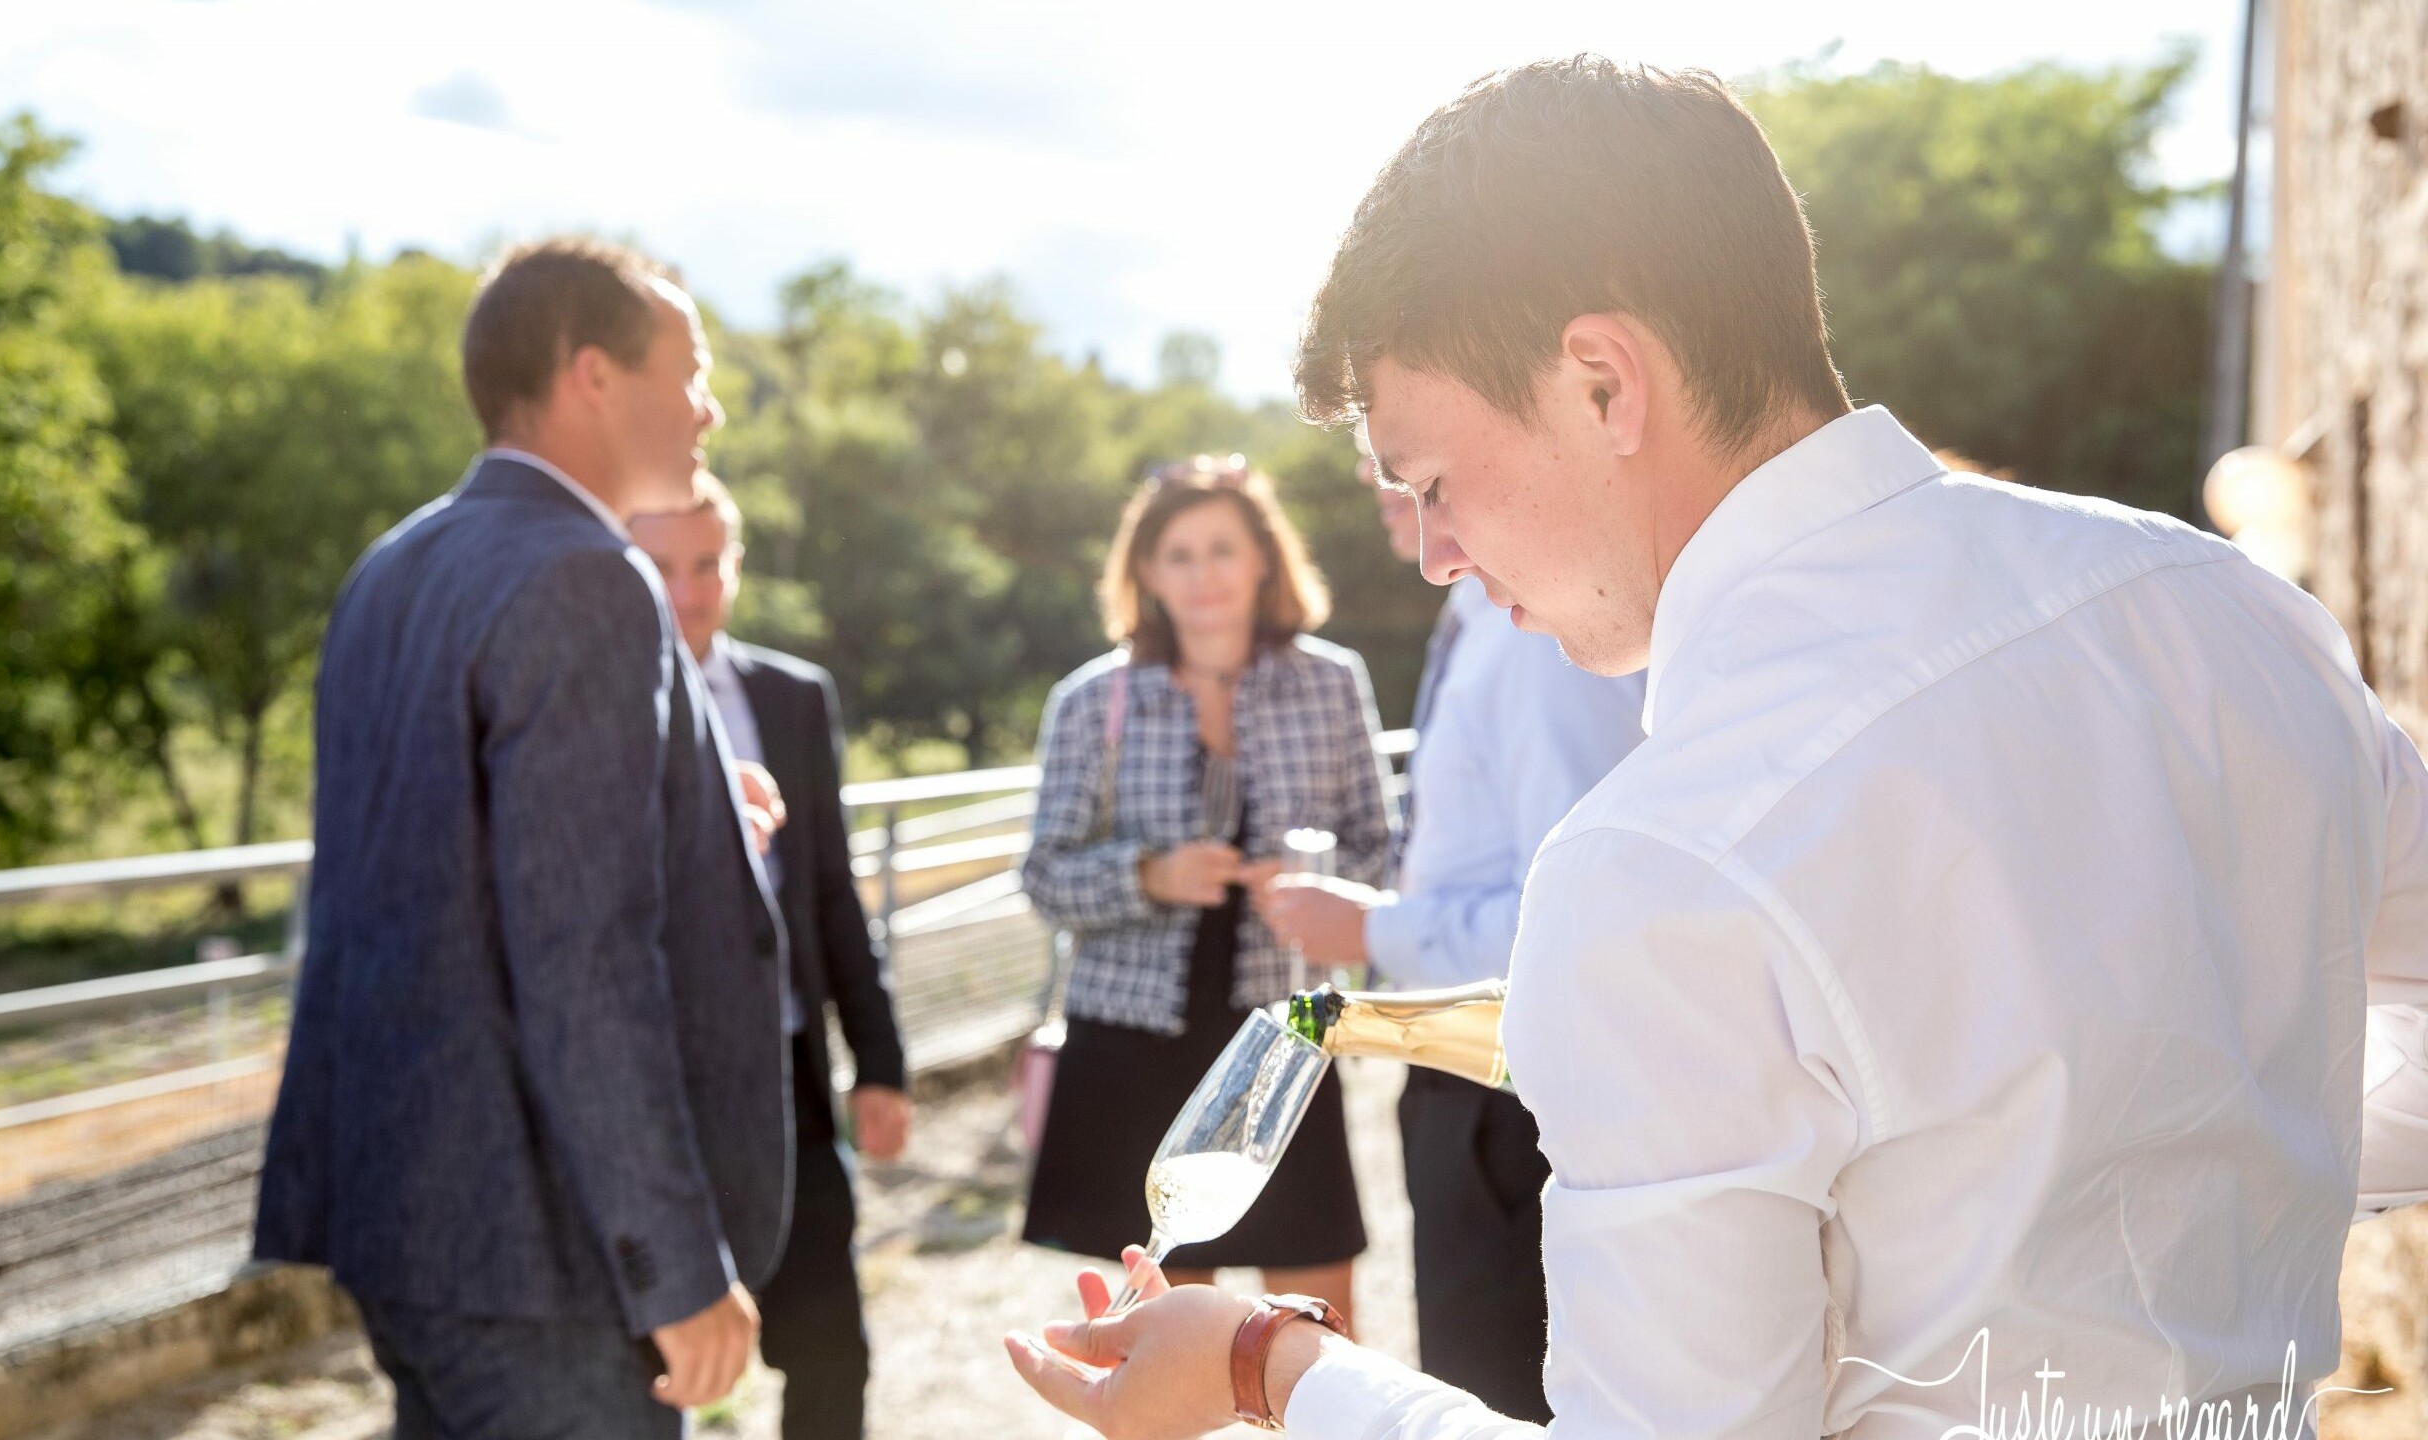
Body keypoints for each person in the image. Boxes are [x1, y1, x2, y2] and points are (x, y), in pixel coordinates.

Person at [1005, 57, 2428, 1440]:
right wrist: (2199, 1158)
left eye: (1433, 480)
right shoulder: (2231, 608)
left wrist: (1267, 1371)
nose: (1434, 554)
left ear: (1604, 382)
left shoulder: (1663, 861)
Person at [255, 238, 791, 1440]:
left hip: (403, 1222)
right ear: (591, 375)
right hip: (548, 1251)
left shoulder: (393, 565)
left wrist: (697, 815)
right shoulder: (588, 577)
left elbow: (453, 869)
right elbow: (583, 959)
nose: (707, 405)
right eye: (690, 367)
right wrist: (679, 1267)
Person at [1257, 453, 1643, 1423]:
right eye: (1382, 469)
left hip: (1509, 1090)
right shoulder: (1485, 625)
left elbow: (1572, 919)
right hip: (1468, 1077)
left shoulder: (1529, 647)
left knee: (1501, 1390)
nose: (1384, 493)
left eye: (1416, 470)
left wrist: (1369, 926)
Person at [1018, 455, 1394, 1324]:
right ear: (1145, 572)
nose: (1202, 573)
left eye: (1222, 548)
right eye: (1178, 554)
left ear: (1264, 558)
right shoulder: (1092, 701)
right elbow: (1043, 875)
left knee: (1319, 1300)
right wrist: (1148, 876)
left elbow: (1381, 847)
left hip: (1286, 1031)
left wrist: (1319, 890)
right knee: (1175, 1317)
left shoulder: (1331, 684)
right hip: (1135, 1034)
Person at [631, 471, 911, 1440]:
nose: (688, 588)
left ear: (736, 566)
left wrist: (877, 1061)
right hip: (651, 1083)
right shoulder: (592, 703)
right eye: (661, 565)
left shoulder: (793, 700)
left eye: (707, 563)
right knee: (647, 1361)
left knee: (834, 1347)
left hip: (788, 1079)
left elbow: (830, 892)